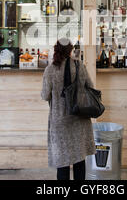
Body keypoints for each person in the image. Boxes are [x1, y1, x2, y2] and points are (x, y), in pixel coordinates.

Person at [41, 38, 96, 180]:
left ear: (56, 50)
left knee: (62, 161)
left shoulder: (50, 70)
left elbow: (45, 95)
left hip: (60, 120)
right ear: (71, 50)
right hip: (80, 118)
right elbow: (91, 87)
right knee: (79, 160)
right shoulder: (79, 66)